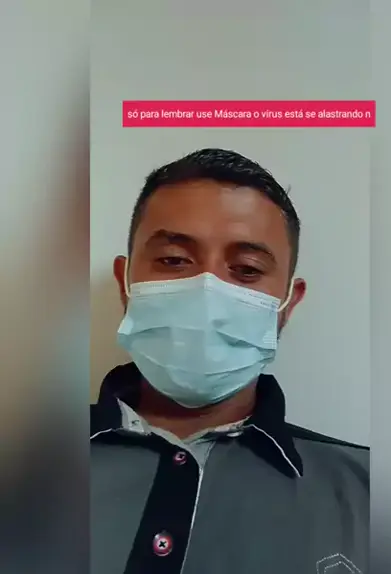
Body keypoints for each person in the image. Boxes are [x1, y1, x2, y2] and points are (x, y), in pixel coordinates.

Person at [90, 148, 369, 574]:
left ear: (287, 304)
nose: (207, 291)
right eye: (173, 260)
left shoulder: (372, 494)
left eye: (247, 269)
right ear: (124, 284)